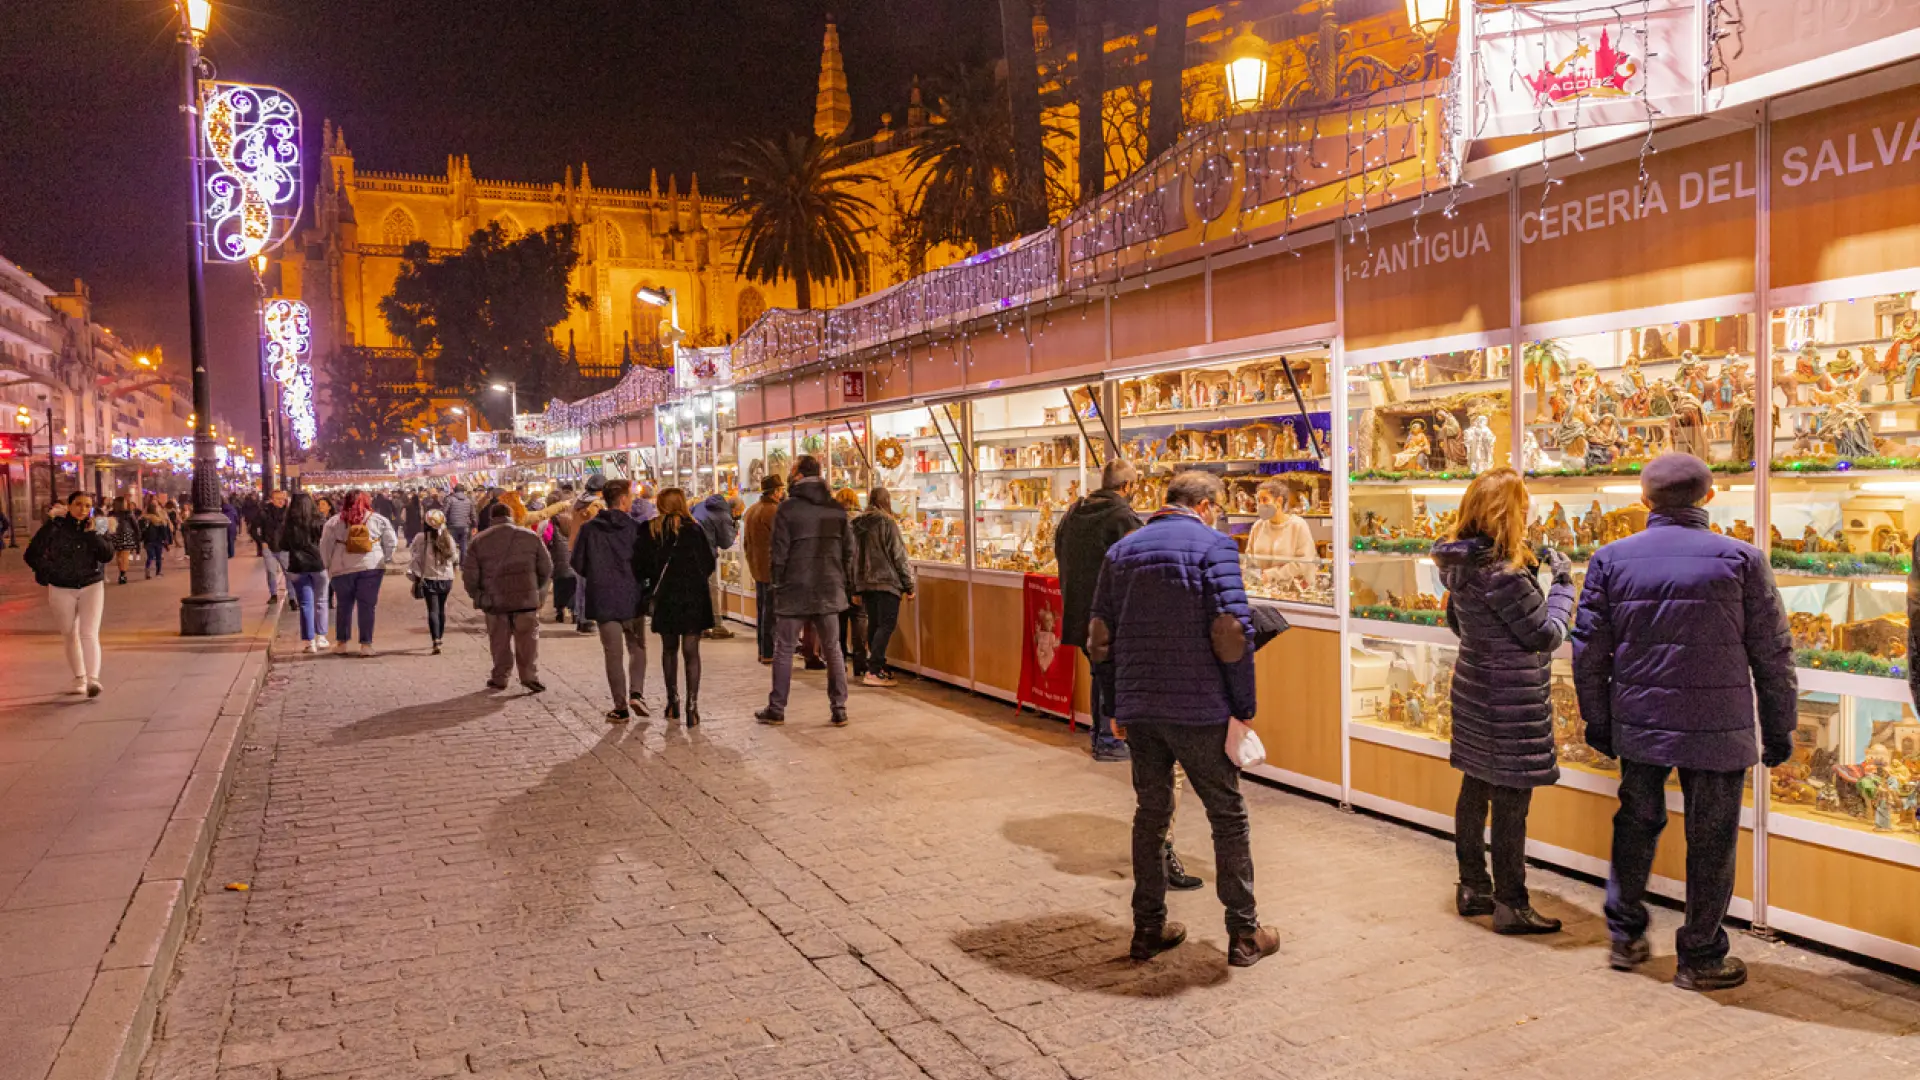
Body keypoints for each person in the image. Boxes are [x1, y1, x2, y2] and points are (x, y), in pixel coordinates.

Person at [1573, 453, 1796, 992]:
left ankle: (1625, 936)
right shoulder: (1743, 559)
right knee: (1713, 837)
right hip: (1719, 725)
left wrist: (1597, 719)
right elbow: (1772, 652)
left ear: (1643, 498)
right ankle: (1700, 956)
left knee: (1636, 823)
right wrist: (1779, 725)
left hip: (1640, 719)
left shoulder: (1610, 559)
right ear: (1710, 497)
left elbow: (1589, 650)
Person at [1087, 469, 1279, 968]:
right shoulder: (1215, 547)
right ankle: (1244, 933)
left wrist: (1115, 706)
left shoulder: (1121, 551)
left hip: (1142, 708)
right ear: (1206, 505)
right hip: (1199, 706)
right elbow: (1231, 632)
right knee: (1227, 815)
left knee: (1151, 816)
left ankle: (1148, 929)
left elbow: (1100, 637)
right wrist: (1243, 706)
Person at [1431, 467, 1575, 935]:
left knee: (1475, 788)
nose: (1529, 514)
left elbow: (1460, 624)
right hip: (1511, 697)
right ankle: (1512, 903)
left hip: (1474, 688)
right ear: (1506, 514)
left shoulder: (1462, 565)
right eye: (1524, 507)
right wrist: (1563, 585)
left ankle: (1474, 886)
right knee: (1512, 802)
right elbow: (1546, 635)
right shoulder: (1505, 575)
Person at [1056, 459, 1144, 762]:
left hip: (1078, 608)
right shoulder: (1122, 517)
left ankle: (1101, 735)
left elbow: (1058, 550)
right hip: (1111, 611)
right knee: (1112, 673)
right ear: (1127, 486)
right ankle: (1108, 739)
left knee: (1100, 670)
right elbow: (1137, 562)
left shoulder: (1075, 511)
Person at [756, 455, 855, 727]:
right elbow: (849, 550)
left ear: (798, 475)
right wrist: (841, 579)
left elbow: (778, 552)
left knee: (785, 648)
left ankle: (777, 708)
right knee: (833, 649)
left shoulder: (787, 509)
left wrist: (778, 583)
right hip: (829, 586)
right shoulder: (836, 509)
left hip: (794, 587)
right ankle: (839, 708)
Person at [638, 487, 718, 725]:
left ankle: (672, 702)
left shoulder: (651, 529)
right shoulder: (694, 529)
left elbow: (641, 565)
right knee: (692, 652)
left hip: (666, 597)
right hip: (693, 597)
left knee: (669, 649)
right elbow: (708, 563)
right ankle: (692, 707)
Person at [25, 492, 115, 697]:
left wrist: (92, 534)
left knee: (89, 632)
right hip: (61, 586)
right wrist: (49, 571)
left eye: (87, 506)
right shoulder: (55, 526)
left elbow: (107, 555)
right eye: (78, 504)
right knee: (69, 632)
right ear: (69, 505)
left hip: (91, 584)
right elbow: (31, 554)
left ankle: (93, 679)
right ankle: (80, 677)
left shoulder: (99, 524)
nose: (83, 509)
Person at [572, 479, 648, 721]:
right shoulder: (636, 528)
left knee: (613, 654)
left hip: (603, 598)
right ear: (623, 499)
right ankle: (637, 693)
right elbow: (646, 564)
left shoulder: (589, 529)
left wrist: (597, 575)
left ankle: (620, 706)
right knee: (637, 647)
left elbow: (577, 562)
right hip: (632, 598)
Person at [463, 502, 551, 693]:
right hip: (526, 600)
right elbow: (546, 567)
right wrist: (536, 589)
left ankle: (500, 677)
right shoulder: (530, 536)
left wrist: (477, 595)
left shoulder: (479, 541)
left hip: (495, 601)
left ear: (492, 518)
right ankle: (529, 676)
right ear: (511, 515)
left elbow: (470, 575)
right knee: (528, 641)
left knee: (499, 641)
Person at [319, 490, 398, 657]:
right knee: (367, 606)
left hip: (341, 568)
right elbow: (391, 542)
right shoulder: (378, 519)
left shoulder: (333, 522)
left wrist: (328, 565)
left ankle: (342, 643)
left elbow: (325, 546)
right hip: (371, 567)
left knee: (343, 605)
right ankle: (366, 645)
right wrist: (384, 558)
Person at [850, 486, 915, 686]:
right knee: (886, 625)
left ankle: (877, 666)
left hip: (866, 582)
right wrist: (909, 585)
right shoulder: (887, 522)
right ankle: (874, 670)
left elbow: (852, 558)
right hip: (887, 581)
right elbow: (898, 555)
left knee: (875, 623)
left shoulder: (857, 523)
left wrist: (855, 586)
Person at [279, 492, 330, 653]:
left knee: (305, 604)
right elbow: (327, 541)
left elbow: (283, 545)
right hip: (318, 565)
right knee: (321, 600)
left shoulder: (289, 524)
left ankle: (310, 642)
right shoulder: (319, 521)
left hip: (297, 567)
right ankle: (321, 637)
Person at [742, 475, 784, 664]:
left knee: (762, 610)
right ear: (775, 492)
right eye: (781, 490)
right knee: (771, 613)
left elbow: (746, 543)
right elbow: (781, 541)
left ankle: (762, 650)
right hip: (771, 568)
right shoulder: (773, 511)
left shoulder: (752, 510)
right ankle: (769, 651)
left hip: (757, 567)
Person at [1245, 479, 1317, 586]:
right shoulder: (1258, 526)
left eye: (1265, 500)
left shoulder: (1298, 525)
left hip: (1291, 590)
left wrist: (1272, 575)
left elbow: (1304, 562)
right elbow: (1249, 558)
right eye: (1258, 500)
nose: (1260, 504)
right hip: (1262, 590)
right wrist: (1254, 576)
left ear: (1279, 501)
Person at [408, 508, 459, 654]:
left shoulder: (420, 538)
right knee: (441, 609)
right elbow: (454, 557)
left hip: (429, 579)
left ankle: (435, 640)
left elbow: (414, 554)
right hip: (446, 578)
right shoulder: (448, 537)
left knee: (432, 610)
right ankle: (440, 638)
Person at [692, 491, 739, 640]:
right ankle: (717, 625)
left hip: (692, 553)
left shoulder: (700, 506)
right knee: (712, 589)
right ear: (734, 510)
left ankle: (700, 625)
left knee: (699, 590)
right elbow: (726, 543)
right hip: (707, 555)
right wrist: (735, 526)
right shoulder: (724, 516)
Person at [544, 497, 578, 625]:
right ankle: (574, 613)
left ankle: (560, 612)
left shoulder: (552, 522)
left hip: (558, 559)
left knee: (559, 585)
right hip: (572, 558)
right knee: (573, 586)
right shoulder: (573, 520)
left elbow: (546, 538)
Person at [255, 489, 291, 604]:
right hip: (269, 547)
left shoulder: (288, 513)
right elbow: (254, 528)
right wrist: (261, 542)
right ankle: (273, 594)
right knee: (271, 572)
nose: (281, 501)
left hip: (284, 547)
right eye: (278, 499)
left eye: (283, 499)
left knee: (289, 573)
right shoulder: (264, 512)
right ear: (271, 500)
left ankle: (292, 597)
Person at [107, 496, 141, 584]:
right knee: (125, 556)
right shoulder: (128, 513)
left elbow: (107, 525)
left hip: (115, 536)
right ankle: (122, 575)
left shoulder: (111, 513)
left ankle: (121, 573)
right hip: (126, 535)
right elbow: (135, 526)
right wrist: (138, 536)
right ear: (122, 504)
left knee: (119, 556)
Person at [140, 501, 173, 578]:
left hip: (149, 540)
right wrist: (166, 541)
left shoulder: (144, 519)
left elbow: (141, 530)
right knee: (158, 557)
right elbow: (163, 531)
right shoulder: (159, 520)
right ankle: (158, 572)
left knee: (150, 556)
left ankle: (148, 570)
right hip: (157, 540)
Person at [443, 485, 475, 559]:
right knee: (464, 545)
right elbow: (473, 514)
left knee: (452, 545)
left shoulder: (450, 499)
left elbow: (444, 512)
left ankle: (454, 562)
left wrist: (443, 522)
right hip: (465, 526)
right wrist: (474, 525)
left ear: (454, 491)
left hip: (452, 526)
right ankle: (463, 562)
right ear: (463, 491)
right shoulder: (469, 500)